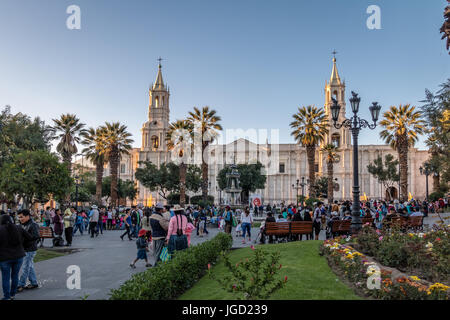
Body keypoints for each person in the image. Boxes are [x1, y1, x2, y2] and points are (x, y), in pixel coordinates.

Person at [0, 215, 31, 300]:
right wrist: (22, 245)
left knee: (5, 277)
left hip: (4, 257)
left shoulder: (1, 229)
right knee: (15, 276)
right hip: (18, 256)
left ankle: (7, 296)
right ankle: (12, 295)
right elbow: (29, 237)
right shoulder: (18, 228)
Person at [16, 209, 40, 293]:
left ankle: (20, 285)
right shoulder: (21, 224)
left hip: (30, 249)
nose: (20, 219)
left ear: (27, 216)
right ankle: (34, 282)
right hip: (24, 249)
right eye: (19, 217)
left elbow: (36, 237)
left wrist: (25, 238)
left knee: (26, 267)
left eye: (21, 217)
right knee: (29, 266)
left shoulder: (33, 225)